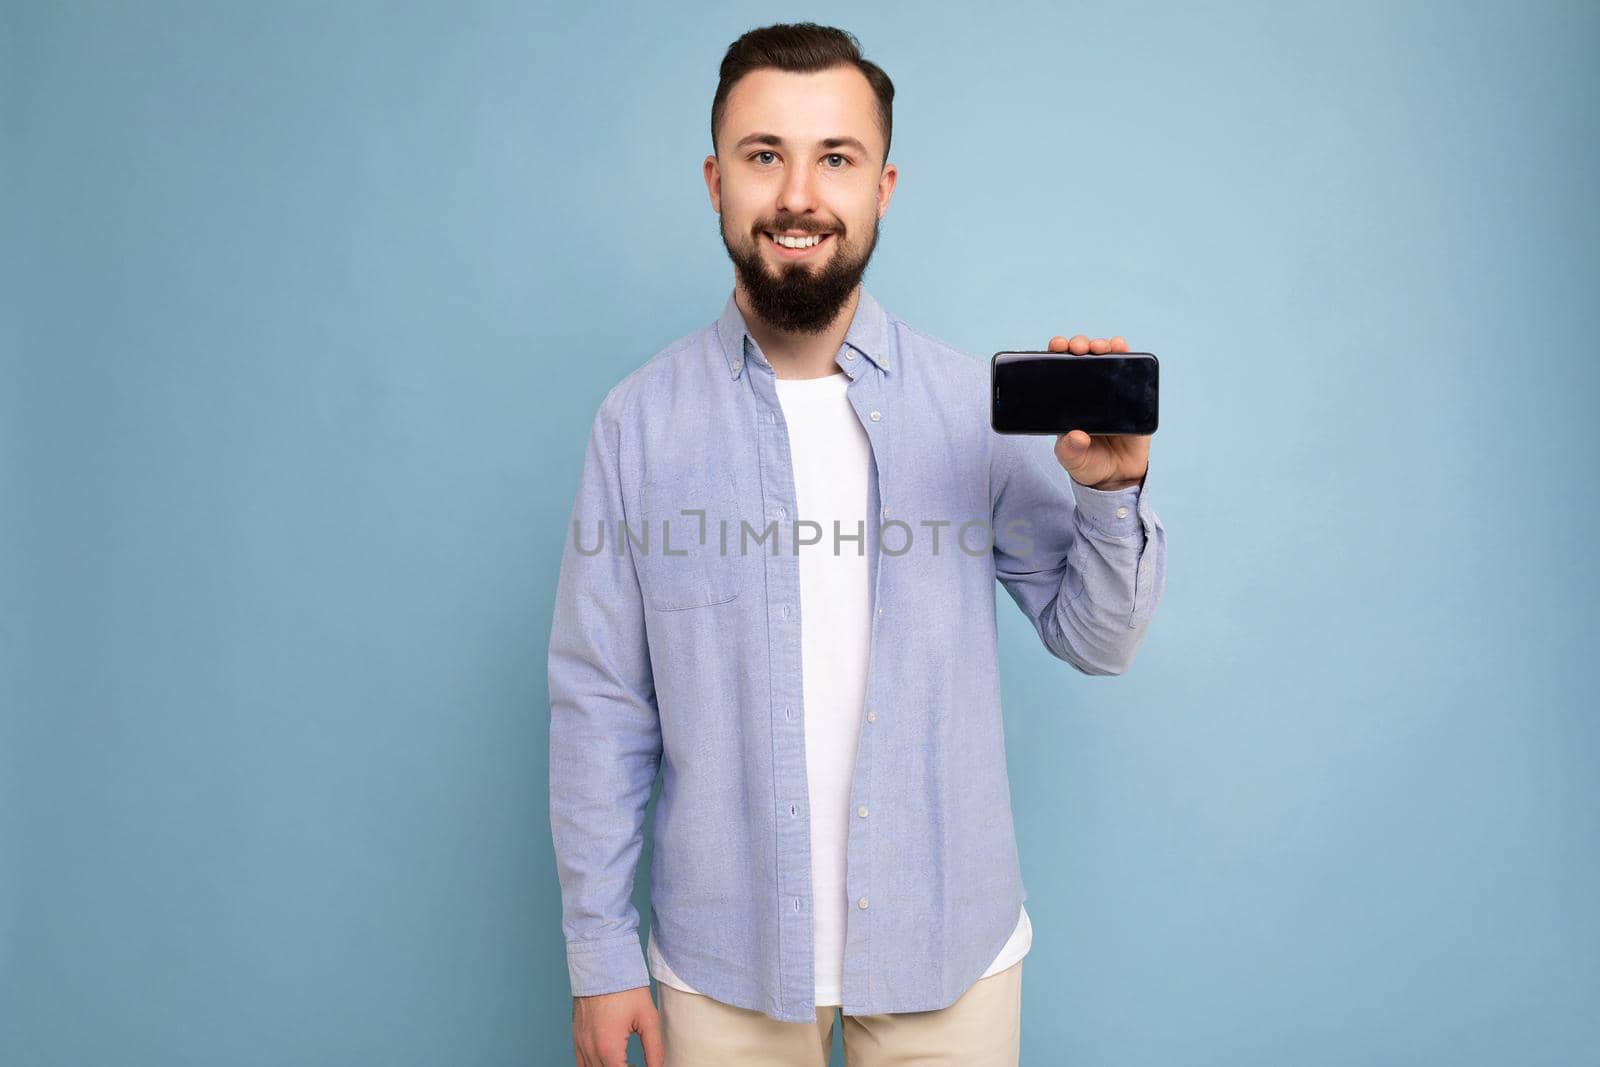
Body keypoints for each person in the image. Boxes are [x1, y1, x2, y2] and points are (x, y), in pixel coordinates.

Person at [548, 21, 1166, 1067]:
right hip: (724, 963)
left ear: (882, 185)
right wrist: (599, 956)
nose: (797, 194)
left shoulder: (969, 409)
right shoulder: (637, 424)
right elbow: (602, 701)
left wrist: (1110, 495)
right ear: (714, 180)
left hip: (950, 953)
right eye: (763, 156)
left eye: (833, 157)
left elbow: (1099, 640)